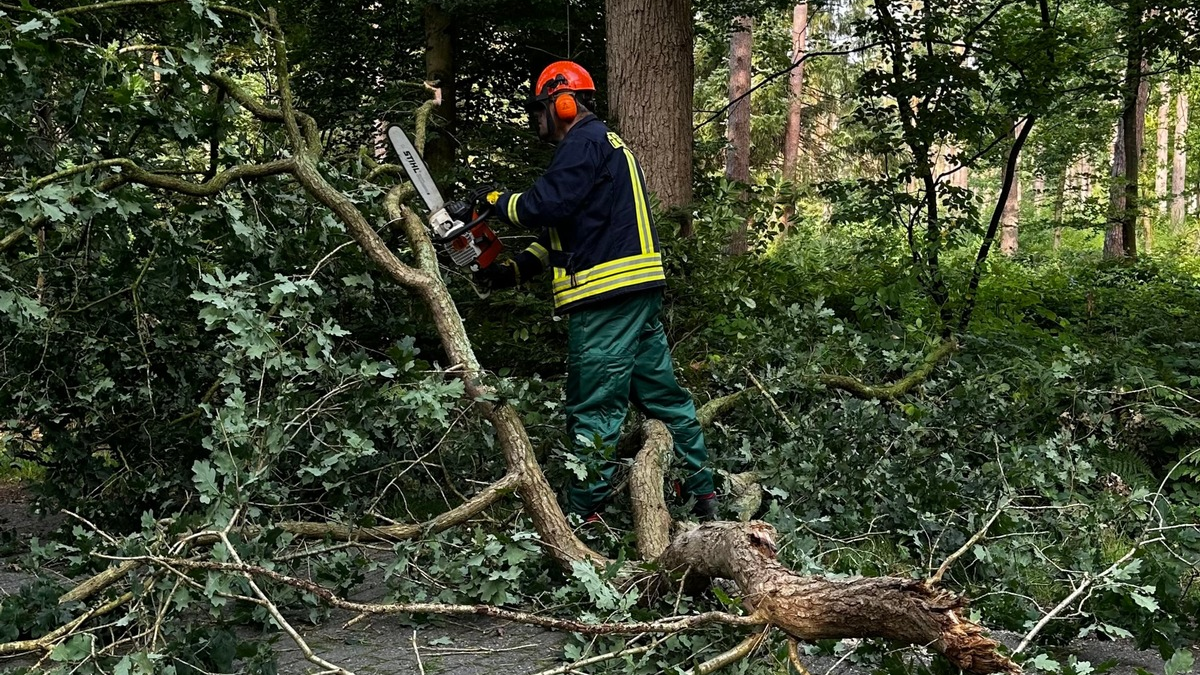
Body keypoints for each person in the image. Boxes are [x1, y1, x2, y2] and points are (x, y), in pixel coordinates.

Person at [471, 61, 718, 523]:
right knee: (665, 398)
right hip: (635, 294)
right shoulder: (602, 145)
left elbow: (542, 206)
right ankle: (704, 497)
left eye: (539, 109)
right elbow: (563, 228)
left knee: (593, 406)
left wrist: (490, 200)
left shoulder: (583, 142)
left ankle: (585, 515)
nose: (536, 120)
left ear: (562, 103)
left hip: (606, 296)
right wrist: (516, 270)